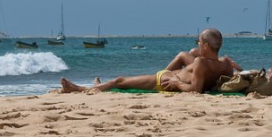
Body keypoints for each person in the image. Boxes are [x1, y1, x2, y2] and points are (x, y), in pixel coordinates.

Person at [60, 28, 240, 94]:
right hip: (175, 74)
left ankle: (82, 89)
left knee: (120, 81)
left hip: (164, 80)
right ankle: (99, 85)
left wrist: (177, 82)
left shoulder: (200, 62)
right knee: (183, 54)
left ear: (207, 46)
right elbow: (222, 82)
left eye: (200, 43)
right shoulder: (225, 63)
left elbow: (195, 90)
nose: (198, 46)